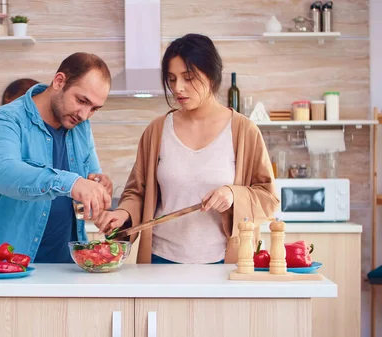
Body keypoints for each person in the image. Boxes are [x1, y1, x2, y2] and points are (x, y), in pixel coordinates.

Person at [95, 34, 279, 265]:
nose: (178, 88)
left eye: (188, 78)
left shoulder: (244, 131)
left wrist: (234, 194)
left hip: (225, 262)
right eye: (171, 79)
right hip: (161, 259)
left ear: (211, 76)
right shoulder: (157, 131)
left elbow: (268, 198)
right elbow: (137, 193)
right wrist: (124, 213)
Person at [0, 52, 114, 264]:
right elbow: (3, 173)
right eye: (81, 100)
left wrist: (98, 185)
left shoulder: (81, 127)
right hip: (5, 268)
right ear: (59, 81)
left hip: (66, 267)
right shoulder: (6, 119)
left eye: (94, 109)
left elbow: (89, 177)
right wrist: (72, 183)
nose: (84, 114)